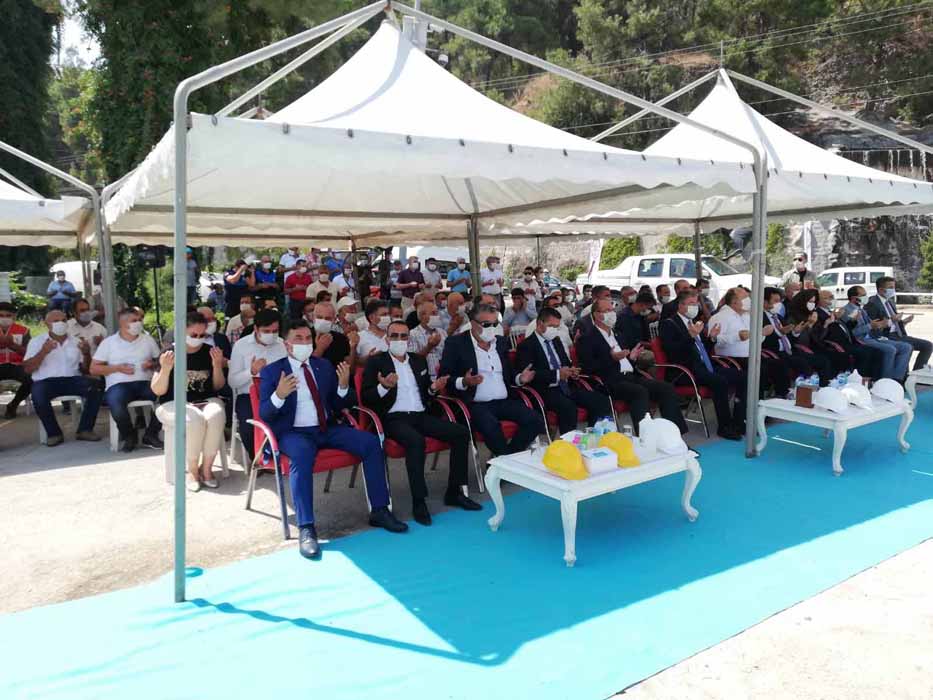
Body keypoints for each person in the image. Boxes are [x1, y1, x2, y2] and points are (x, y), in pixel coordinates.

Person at [261, 322, 407, 558]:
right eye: (298, 338)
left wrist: (342, 387)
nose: (305, 343)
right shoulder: (272, 372)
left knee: (371, 443)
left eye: (308, 338)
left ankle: (380, 510)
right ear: (287, 345)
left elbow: (341, 404)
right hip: (293, 432)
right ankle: (307, 528)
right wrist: (279, 395)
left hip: (326, 427)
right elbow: (265, 414)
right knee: (302, 455)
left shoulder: (323, 366)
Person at [362, 321, 479, 525]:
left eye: (404, 336)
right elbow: (366, 397)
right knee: (416, 441)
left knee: (460, 432)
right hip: (393, 418)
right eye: (394, 336)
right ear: (387, 339)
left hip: (420, 415)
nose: (399, 340)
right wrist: (384, 387)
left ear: (409, 339)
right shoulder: (376, 362)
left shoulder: (418, 360)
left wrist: (433, 388)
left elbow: (426, 393)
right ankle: (419, 501)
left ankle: (455, 492)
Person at [439, 303, 544, 455]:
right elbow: (444, 377)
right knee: (492, 427)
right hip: (475, 403)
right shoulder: (456, 343)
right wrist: (464, 381)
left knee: (536, 420)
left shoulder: (500, 342)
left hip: (504, 401)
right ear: (473, 324)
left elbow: (509, 373)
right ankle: (506, 461)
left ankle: (505, 460)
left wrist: (520, 378)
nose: (492, 328)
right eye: (487, 324)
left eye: (495, 324)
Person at [577, 298, 687, 435]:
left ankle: (676, 434)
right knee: (639, 392)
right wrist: (611, 358)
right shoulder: (587, 338)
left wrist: (631, 358)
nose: (612, 313)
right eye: (607, 310)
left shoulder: (618, 334)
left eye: (612, 310)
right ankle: (645, 437)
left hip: (630, 376)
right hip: (609, 381)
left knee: (666, 388)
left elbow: (624, 361)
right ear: (597, 315)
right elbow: (588, 367)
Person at [151, 312, 227, 491]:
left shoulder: (209, 352)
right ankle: (191, 470)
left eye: (202, 335)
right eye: (194, 335)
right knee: (194, 420)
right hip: (173, 403)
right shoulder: (169, 353)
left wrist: (217, 366)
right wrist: (165, 369)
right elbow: (157, 390)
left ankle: (206, 469)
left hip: (205, 399)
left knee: (216, 415)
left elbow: (218, 386)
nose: (198, 339)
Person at [659, 291, 745, 440]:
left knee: (742, 376)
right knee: (719, 382)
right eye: (691, 303)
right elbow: (672, 351)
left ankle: (739, 420)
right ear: (680, 305)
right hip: (686, 370)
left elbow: (702, 348)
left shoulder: (693, 322)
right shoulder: (669, 324)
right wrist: (690, 336)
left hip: (704, 365)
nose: (695, 307)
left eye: (696, 303)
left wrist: (711, 338)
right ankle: (724, 427)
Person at [516, 308, 612, 434]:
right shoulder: (526, 346)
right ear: (540, 323)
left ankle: (593, 436)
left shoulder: (556, 341)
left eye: (557, 327)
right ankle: (567, 443)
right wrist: (557, 374)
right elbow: (530, 375)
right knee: (568, 408)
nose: (554, 330)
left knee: (601, 401)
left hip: (566, 386)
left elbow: (566, 363)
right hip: (546, 390)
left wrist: (572, 371)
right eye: (551, 326)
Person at [22, 310, 102, 445]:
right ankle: (54, 433)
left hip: (72, 379)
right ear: (46, 324)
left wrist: (86, 354)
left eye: (63, 320)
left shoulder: (76, 341)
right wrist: (44, 351)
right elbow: (28, 369)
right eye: (56, 321)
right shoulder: (37, 342)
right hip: (46, 382)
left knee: (96, 387)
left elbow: (86, 370)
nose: (61, 323)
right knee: (38, 393)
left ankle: (85, 429)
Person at [90, 308, 163, 451]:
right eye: (134, 321)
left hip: (145, 382)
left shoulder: (148, 340)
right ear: (123, 323)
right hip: (119, 384)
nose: (139, 323)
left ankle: (151, 434)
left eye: (140, 320)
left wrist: (152, 364)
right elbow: (93, 369)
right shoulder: (108, 343)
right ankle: (129, 435)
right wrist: (117, 368)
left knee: (167, 396)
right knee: (115, 402)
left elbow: (160, 362)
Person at [229, 308, 287, 461]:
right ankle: (259, 460)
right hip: (248, 395)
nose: (271, 335)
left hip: (278, 393)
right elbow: (232, 381)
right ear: (256, 328)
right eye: (266, 331)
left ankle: (281, 456)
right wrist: (251, 371)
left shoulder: (282, 345)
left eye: (275, 331)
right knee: (249, 426)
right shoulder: (241, 346)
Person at [762, 287, 830, 389]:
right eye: (775, 301)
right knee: (800, 363)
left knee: (822, 360)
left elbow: (789, 338)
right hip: (775, 352)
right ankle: (798, 392)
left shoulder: (778, 317)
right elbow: (765, 340)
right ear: (764, 301)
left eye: (779, 301)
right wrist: (780, 333)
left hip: (790, 350)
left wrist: (795, 332)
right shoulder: (760, 318)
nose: (778, 304)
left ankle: (824, 389)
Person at [843, 285, 911, 381]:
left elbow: (872, 324)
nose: (866, 297)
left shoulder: (861, 309)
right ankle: (885, 381)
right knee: (890, 349)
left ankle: (897, 379)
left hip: (873, 337)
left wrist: (882, 324)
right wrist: (870, 326)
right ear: (854, 298)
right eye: (863, 295)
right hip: (861, 340)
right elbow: (851, 333)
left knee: (906, 347)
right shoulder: (846, 311)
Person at [865, 276, 931, 370]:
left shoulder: (890, 301)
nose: (893, 290)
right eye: (890, 287)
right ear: (881, 290)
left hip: (898, 334)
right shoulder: (872, 303)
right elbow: (873, 327)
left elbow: (894, 323)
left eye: (894, 287)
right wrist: (891, 320)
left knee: (928, 345)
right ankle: (903, 375)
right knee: (907, 347)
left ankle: (917, 372)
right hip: (886, 336)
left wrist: (903, 322)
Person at [783, 288, 834, 385]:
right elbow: (794, 339)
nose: (812, 304)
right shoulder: (792, 316)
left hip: (811, 347)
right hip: (797, 349)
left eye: (814, 302)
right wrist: (803, 329)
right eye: (810, 301)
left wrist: (825, 325)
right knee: (822, 361)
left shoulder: (811, 314)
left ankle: (828, 385)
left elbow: (818, 337)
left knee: (830, 354)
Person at [0, 302, 32, 419]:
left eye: (8, 315)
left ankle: (13, 405)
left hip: (17, 365)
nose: (4, 318)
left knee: (32, 378)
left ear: (14, 316)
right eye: (1, 315)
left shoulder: (23, 331)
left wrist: (12, 345)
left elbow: (29, 353)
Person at [309, 301, 356, 369]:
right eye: (319, 317)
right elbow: (305, 369)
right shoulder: (304, 337)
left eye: (327, 318)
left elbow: (350, 370)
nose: (323, 321)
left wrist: (353, 348)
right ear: (313, 318)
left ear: (334, 320)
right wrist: (320, 349)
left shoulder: (341, 339)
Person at [409, 299, 447, 379]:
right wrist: (429, 347)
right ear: (422, 316)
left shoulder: (442, 332)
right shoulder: (412, 334)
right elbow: (413, 360)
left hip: (443, 376)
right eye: (433, 313)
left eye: (437, 313)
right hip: (424, 377)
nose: (437, 316)